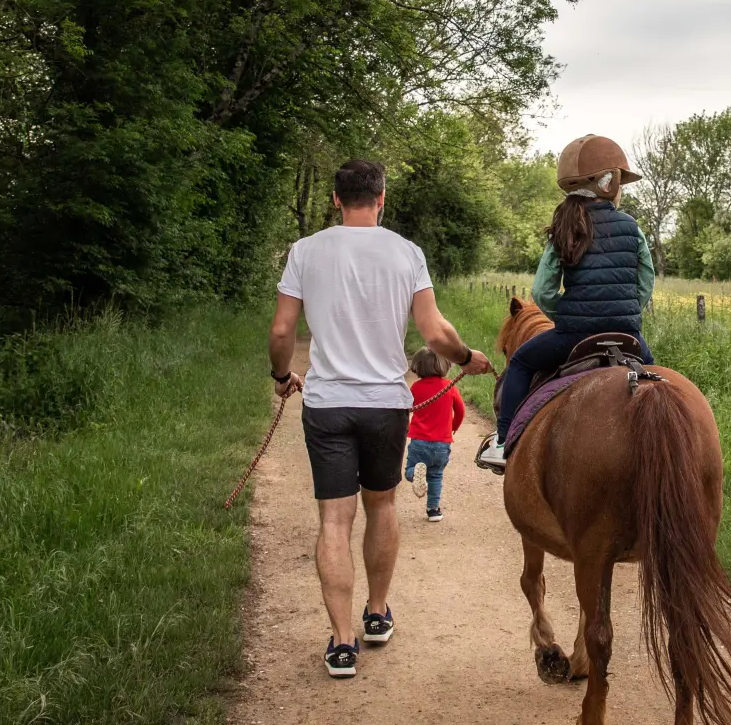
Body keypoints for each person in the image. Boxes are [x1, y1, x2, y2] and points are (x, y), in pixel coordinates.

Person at [267, 159, 491, 680]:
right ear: (382, 197)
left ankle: (342, 644)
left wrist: (282, 376)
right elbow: (434, 332)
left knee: (334, 520)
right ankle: (376, 614)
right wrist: (465, 358)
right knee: (383, 505)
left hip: (327, 405)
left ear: (335, 199)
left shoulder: (305, 251)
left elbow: (282, 332)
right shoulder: (406, 254)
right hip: (386, 404)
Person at [478, 135, 654, 469]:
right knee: (658, 380)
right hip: (627, 335)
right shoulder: (631, 227)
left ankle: (502, 443)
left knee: (520, 364)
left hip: (575, 335)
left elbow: (543, 292)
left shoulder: (564, 226)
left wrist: (572, 313)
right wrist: (624, 311)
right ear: (609, 182)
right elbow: (646, 281)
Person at [404, 347, 466, 522]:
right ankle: (433, 510)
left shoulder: (416, 387)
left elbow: (405, 409)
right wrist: (453, 427)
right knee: (436, 475)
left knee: (410, 469)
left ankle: (414, 474)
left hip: (419, 441)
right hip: (441, 443)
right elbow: (460, 411)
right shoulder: (449, 387)